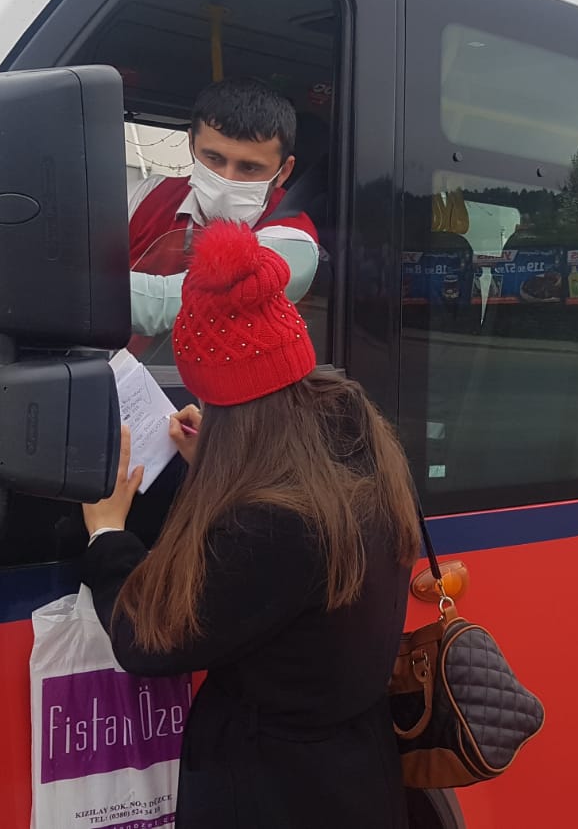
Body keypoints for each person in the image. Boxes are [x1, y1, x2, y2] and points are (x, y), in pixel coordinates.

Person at [82, 220, 418, 828]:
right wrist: (212, 460)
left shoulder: (272, 525)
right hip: (359, 774)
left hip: (277, 793)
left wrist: (108, 533)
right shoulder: (358, 439)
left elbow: (147, 638)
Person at [128, 77, 320, 340]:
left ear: (283, 171)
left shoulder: (293, 241)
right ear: (191, 145)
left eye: (249, 167)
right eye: (214, 158)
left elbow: (165, 305)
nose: (227, 178)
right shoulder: (147, 195)